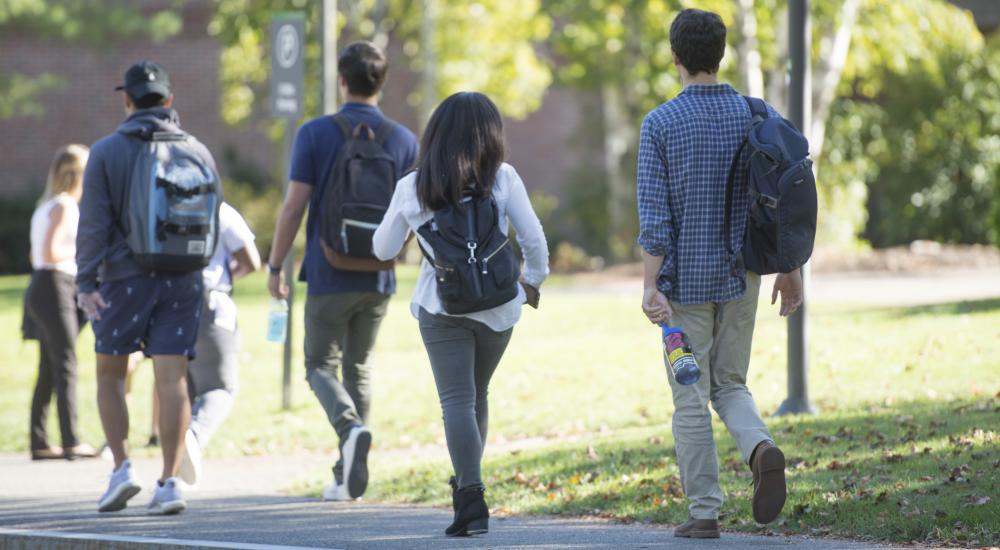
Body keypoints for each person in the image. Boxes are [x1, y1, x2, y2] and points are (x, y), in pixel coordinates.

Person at [636, 9, 801, 538]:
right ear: (722, 54)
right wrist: (791, 269)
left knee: (689, 394)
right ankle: (760, 448)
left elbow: (656, 220)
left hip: (683, 289)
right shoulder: (757, 115)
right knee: (730, 384)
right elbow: (785, 200)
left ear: (675, 56)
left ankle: (704, 512)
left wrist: (648, 285)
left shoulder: (660, 124)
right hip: (741, 278)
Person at [373, 91, 549, 537]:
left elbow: (383, 249)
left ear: (436, 135)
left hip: (442, 307)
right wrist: (533, 283)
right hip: (499, 305)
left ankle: (470, 495)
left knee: (457, 400)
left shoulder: (414, 186)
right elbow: (533, 239)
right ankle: (468, 485)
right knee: (477, 393)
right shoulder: (503, 178)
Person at [267, 41, 418, 502]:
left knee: (318, 364)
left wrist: (276, 265)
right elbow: (414, 213)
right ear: (382, 82)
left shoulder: (316, 133)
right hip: (378, 275)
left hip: (328, 272)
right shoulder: (403, 139)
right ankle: (347, 472)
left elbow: (294, 206)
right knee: (359, 369)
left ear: (342, 80)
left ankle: (350, 431)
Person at [77, 60, 216, 515]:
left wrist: (84, 282)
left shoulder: (106, 151)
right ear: (170, 101)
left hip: (123, 279)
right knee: (173, 379)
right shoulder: (197, 148)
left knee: (110, 374)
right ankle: (171, 482)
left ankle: (121, 469)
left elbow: (93, 224)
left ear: (127, 100)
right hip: (184, 278)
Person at [178, 202, 261, 486]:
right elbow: (251, 260)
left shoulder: (161, 205)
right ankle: (193, 436)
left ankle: (169, 473)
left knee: (179, 384)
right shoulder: (219, 210)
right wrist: (226, 279)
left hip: (168, 300)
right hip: (209, 299)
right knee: (221, 387)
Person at [24, 144, 98, 462]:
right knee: (66, 364)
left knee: (48, 366)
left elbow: (35, 254)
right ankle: (71, 440)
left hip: (40, 284)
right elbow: (52, 251)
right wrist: (84, 254)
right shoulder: (65, 206)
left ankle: (39, 440)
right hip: (56, 284)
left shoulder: (45, 205)